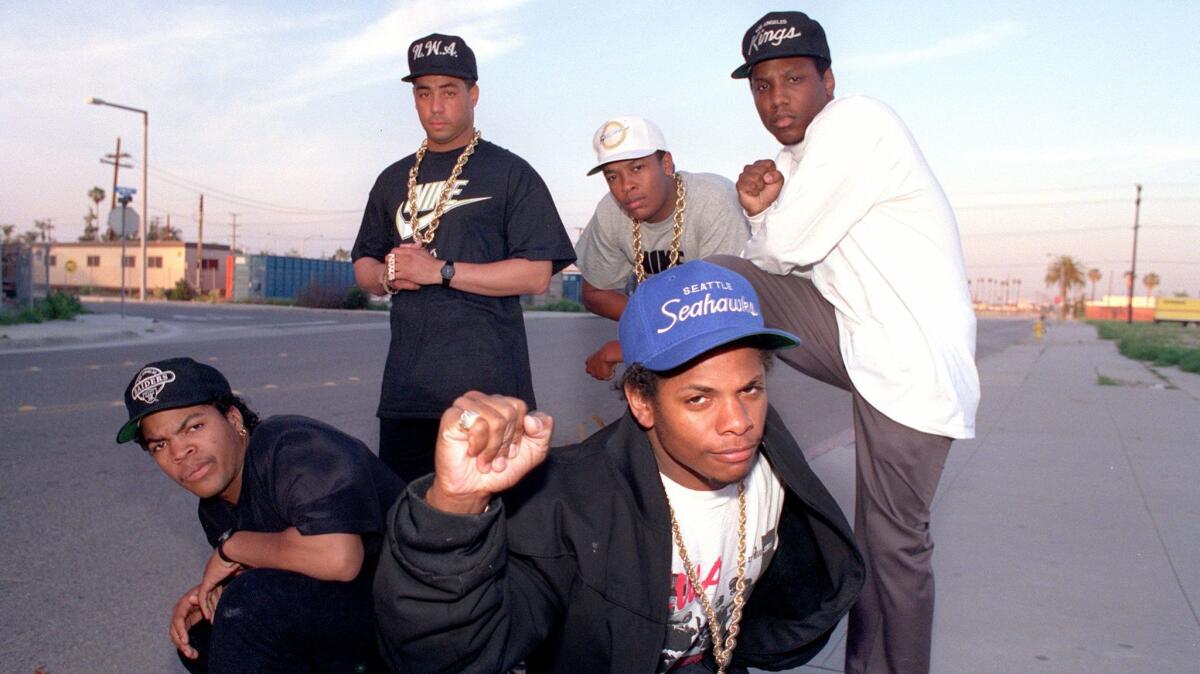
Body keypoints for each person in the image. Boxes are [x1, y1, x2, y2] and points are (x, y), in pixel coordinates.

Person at [373, 260, 864, 673]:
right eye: (698, 399)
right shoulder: (568, 509)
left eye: (750, 389)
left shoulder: (773, 465)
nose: (738, 423)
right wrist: (454, 508)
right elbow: (445, 657)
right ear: (641, 401)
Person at [712, 11, 981, 674]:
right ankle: (718, 401)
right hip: (860, 343)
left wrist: (760, 213)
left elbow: (787, 245)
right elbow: (777, 262)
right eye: (762, 85)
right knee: (723, 283)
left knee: (895, 548)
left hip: (911, 367)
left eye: (794, 80)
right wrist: (765, 218)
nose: (776, 99)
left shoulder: (858, 123)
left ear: (828, 80)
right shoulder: (795, 161)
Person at [352, 32, 576, 482]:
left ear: (473, 95)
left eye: (449, 92)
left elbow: (535, 275)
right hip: (407, 396)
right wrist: (390, 275)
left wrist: (440, 272)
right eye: (424, 92)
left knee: (497, 529)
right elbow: (364, 265)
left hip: (492, 396)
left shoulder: (511, 173)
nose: (435, 106)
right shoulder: (392, 179)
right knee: (406, 524)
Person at [116, 357, 404, 673]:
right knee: (202, 634)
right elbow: (279, 572)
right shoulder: (215, 507)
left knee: (247, 604)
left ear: (233, 418)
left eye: (194, 427)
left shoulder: (293, 446)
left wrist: (232, 547)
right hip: (362, 618)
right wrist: (210, 595)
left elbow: (338, 558)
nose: (179, 452)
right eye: (159, 445)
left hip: (418, 621)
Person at [575, 115, 748, 381]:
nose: (625, 186)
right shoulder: (611, 212)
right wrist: (653, 326)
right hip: (668, 340)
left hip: (732, 336)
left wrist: (626, 348)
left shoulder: (713, 200)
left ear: (666, 164)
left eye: (636, 168)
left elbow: (720, 311)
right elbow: (595, 291)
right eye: (612, 176)